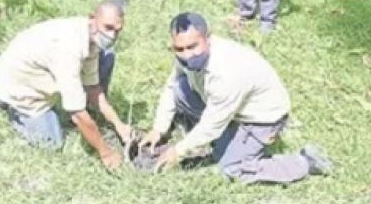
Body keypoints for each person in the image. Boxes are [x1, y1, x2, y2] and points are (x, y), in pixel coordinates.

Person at [140, 12, 333, 183]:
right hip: (224, 106)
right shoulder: (187, 55)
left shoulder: (227, 73)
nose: (187, 55)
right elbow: (172, 84)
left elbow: (211, 126)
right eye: (179, 49)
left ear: (208, 38)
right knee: (180, 90)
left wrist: (177, 152)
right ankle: (220, 137)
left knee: (232, 168)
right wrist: (159, 128)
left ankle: (304, 162)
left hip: (260, 120)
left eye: (193, 47)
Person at [0, 0, 131, 171]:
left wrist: (119, 124)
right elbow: (76, 113)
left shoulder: (91, 37)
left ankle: (82, 111)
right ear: (92, 19)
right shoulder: (68, 48)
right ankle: (10, 106)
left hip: (38, 72)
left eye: (117, 31)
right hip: (19, 85)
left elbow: (93, 88)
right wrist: (106, 153)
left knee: (107, 55)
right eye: (108, 28)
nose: (112, 36)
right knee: (51, 143)